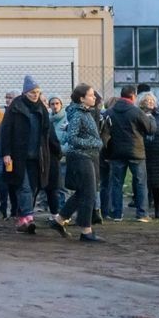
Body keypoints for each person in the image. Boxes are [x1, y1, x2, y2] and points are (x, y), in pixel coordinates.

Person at [0, 75, 62, 234]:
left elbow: (48, 132)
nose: (35, 95)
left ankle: (21, 218)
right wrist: (6, 153)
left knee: (34, 187)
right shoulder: (16, 107)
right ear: (25, 92)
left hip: (37, 156)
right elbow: (6, 131)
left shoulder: (41, 109)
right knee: (23, 186)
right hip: (18, 155)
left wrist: (56, 151)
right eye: (32, 92)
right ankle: (28, 217)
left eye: (38, 92)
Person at [50, 84, 106, 242]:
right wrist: (95, 142)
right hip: (81, 157)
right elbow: (72, 138)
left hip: (86, 156)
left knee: (83, 192)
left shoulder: (84, 112)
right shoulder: (78, 114)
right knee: (88, 193)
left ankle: (59, 220)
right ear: (82, 98)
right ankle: (86, 231)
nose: (94, 97)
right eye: (91, 95)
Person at [103, 85, 155, 222]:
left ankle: (116, 214)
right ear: (133, 95)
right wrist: (151, 117)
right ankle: (142, 214)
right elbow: (150, 129)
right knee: (140, 183)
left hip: (116, 152)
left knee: (116, 183)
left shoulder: (110, 111)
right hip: (136, 152)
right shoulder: (136, 111)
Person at [137, 92, 159, 219]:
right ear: (142, 102)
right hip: (142, 152)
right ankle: (144, 208)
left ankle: (158, 208)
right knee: (143, 181)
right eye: (147, 100)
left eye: (152, 101)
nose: (150, 102)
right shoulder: (138, 115)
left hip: (158, 153)